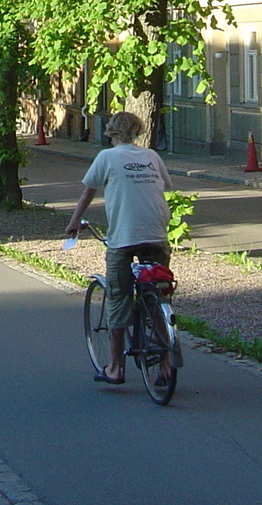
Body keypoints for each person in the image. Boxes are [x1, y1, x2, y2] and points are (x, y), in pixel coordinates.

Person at [64, 111, 173, 386]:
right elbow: (166, 187)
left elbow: (88, 192)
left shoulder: (106, 157)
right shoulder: (152, 156)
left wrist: (74, 222)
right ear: (137, 133)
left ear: (111, 133)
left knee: (117, 297)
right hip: (156, 235)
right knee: (158, 295)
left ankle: (115, 368)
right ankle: (166, 366)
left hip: (123, 239)